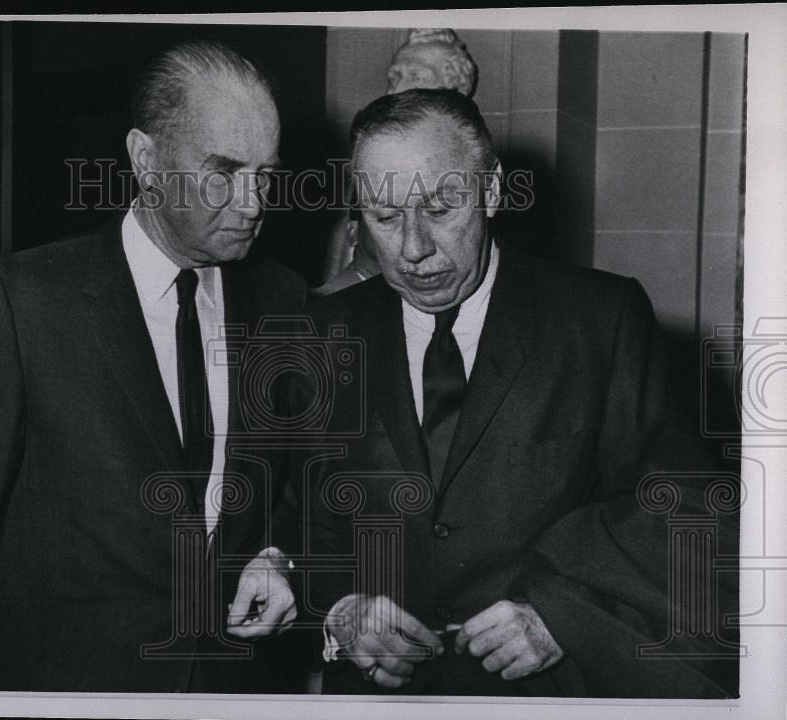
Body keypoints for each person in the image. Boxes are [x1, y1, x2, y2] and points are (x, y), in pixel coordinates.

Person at [283, 88, 737, 697]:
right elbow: (293, 525)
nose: (414, 249)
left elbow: (688, 508)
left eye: (441, 208)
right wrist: (341, 613)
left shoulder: (601, 319)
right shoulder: (318, 336)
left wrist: (563, 617)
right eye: (385, 218)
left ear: (491, 190)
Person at [0, 40, 306, 693]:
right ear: (145, 158)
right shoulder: (19, 302)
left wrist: (276, 555)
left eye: (266, 174)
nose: (253, 201)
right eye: (225, 169)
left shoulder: (282, 299)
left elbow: (296, 478)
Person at [314, 28, 478, 297]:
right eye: (394, 77)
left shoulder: (473, 168)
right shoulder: (371, 161)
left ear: (454, 89)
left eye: (416, 76)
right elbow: (343, 254)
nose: (398, 88)